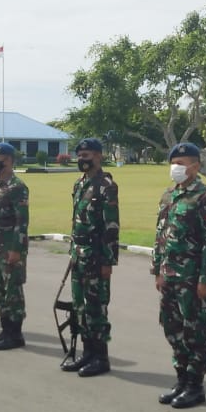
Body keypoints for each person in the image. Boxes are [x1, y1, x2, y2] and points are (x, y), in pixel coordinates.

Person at [151, 142, 206, 409]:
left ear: (196, 167)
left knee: (196, 332)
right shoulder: (169, 195)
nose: (176, 168)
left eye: (182, 164)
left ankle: (195, 384)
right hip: (170, 277)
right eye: (174, 163)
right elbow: (160, 237)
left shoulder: (205, 198)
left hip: (193, 279)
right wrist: (158, 270)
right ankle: (181, 379)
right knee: (173, 329)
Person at [64, 137, 119, 377]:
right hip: (79, 254)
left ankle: (101, 357)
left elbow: (111, 227)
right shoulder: (80, 183)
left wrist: (108, 261)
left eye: (87, 156)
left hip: (96, 256)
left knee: (96, 307)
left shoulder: (105, 185)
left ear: (98, 156)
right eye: (80, 155)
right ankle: (87, 353)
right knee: (80, 306)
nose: (82, 160)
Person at [0, 142, 29, 350]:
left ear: (9, 160)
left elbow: (22, 222)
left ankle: (15, 333)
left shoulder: (17, 187)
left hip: (10, 246)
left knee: (12, 291)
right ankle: (5, 330)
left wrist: (15, 249)